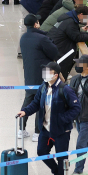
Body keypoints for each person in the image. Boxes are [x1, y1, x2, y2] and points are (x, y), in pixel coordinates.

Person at [17, 61, 80, 175]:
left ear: (55, 75)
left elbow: (76, 108)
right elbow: (36, 103)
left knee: (61, 156)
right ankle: (57, 172)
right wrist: (25, 111)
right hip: (46, 129)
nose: (45, 74)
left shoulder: (65, 89)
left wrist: (63, 119)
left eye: (48, 72)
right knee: (42, 152)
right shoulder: (43, 87)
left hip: (61, 130)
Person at [19, 14, 59, 142]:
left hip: (29, 74)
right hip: (42, 75)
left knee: (28, 100)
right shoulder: (42, 38)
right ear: (36, 24)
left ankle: (21, 129)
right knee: (41, 103)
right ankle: (37, 132)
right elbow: (54, 53)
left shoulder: (23, 38)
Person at [46, 6, 88, 80]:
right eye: (85, 18)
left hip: (54, 47)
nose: (86, 20)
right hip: (60, 52)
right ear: (81, 14)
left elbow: (73, 33)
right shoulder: (71, 23)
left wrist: (83, 30)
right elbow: (77, 37)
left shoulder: (68, 18)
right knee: (59, 75)